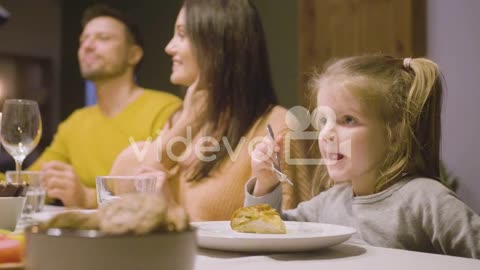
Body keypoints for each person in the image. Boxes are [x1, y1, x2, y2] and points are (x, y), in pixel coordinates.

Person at [245, 55, 480, 258]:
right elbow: (264, 235)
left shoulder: (427, 201)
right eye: (323, 120)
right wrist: (265, 183)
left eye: (348, 119)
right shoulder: (327, 204)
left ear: (395, 134)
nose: (326, 133)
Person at [110, 0, 312, 221]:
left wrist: (171, 213)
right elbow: (121, 183)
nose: (169, 47)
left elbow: (284, 232)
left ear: (218, 45)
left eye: (181, 35)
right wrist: (186, 123)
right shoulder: (179, 120)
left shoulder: (277, 127)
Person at [27, 4, 182, 208]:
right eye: (83, 40)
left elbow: (162, 194)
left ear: (133, 54)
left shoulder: (167, 110)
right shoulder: (76, 122)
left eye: (103, 38)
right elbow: (30, 182)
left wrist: (87, 197)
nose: (88, 46)